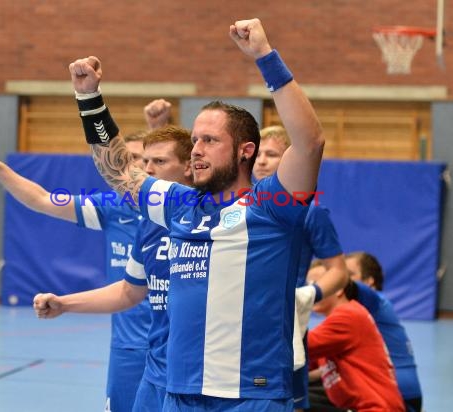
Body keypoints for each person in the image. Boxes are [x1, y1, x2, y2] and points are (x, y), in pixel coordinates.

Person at [67, 18, 347, 411]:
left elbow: (310, 141)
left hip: (251, 395)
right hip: (180, 394)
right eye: (195, 139)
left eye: (210, 140)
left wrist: (266, 58)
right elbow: (118, 171)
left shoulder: (271, 206)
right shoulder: (180, 205)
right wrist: (89, 100)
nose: (196, 149)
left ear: (245, 151)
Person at [0, 131, 152, 412]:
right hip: (127, 349)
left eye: (144, 159)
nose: (136, 167)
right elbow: (43, 199)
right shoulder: (112, 207)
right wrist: (0, 168)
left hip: (171, 347)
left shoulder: (178, 211)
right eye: (127, 160)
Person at [34, 125, 193, 412]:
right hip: (151, 364)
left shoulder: (215, 215)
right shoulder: (149, 224)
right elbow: (128, 291)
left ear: (191, 167)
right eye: (144, 161)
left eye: (158, 162)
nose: (146, 170)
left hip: (197, 370)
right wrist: (64, 303)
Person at [252, 126, 347, 412]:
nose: (262, 161)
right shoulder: (236, 203)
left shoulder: (311, 211)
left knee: (290, 402)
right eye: (258, 153)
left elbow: (338, 270)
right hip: (242, 319)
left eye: (272, 154)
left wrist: (308, 295)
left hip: (285, 322)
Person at [306, 265, 405, 412]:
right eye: (308, 284)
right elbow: (298, 362)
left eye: (316, 284)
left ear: (339, 289)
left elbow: (298, 347)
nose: (310, 291)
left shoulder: (347, 316)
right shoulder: (337, 322)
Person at [346, 252, 423, 412]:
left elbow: (348, 286)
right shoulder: (353, 312)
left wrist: (333, 269)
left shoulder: (376, 301)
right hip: (397, 390)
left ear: (369, 282)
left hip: (398, 394)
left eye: (350, 274)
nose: (343, 278)